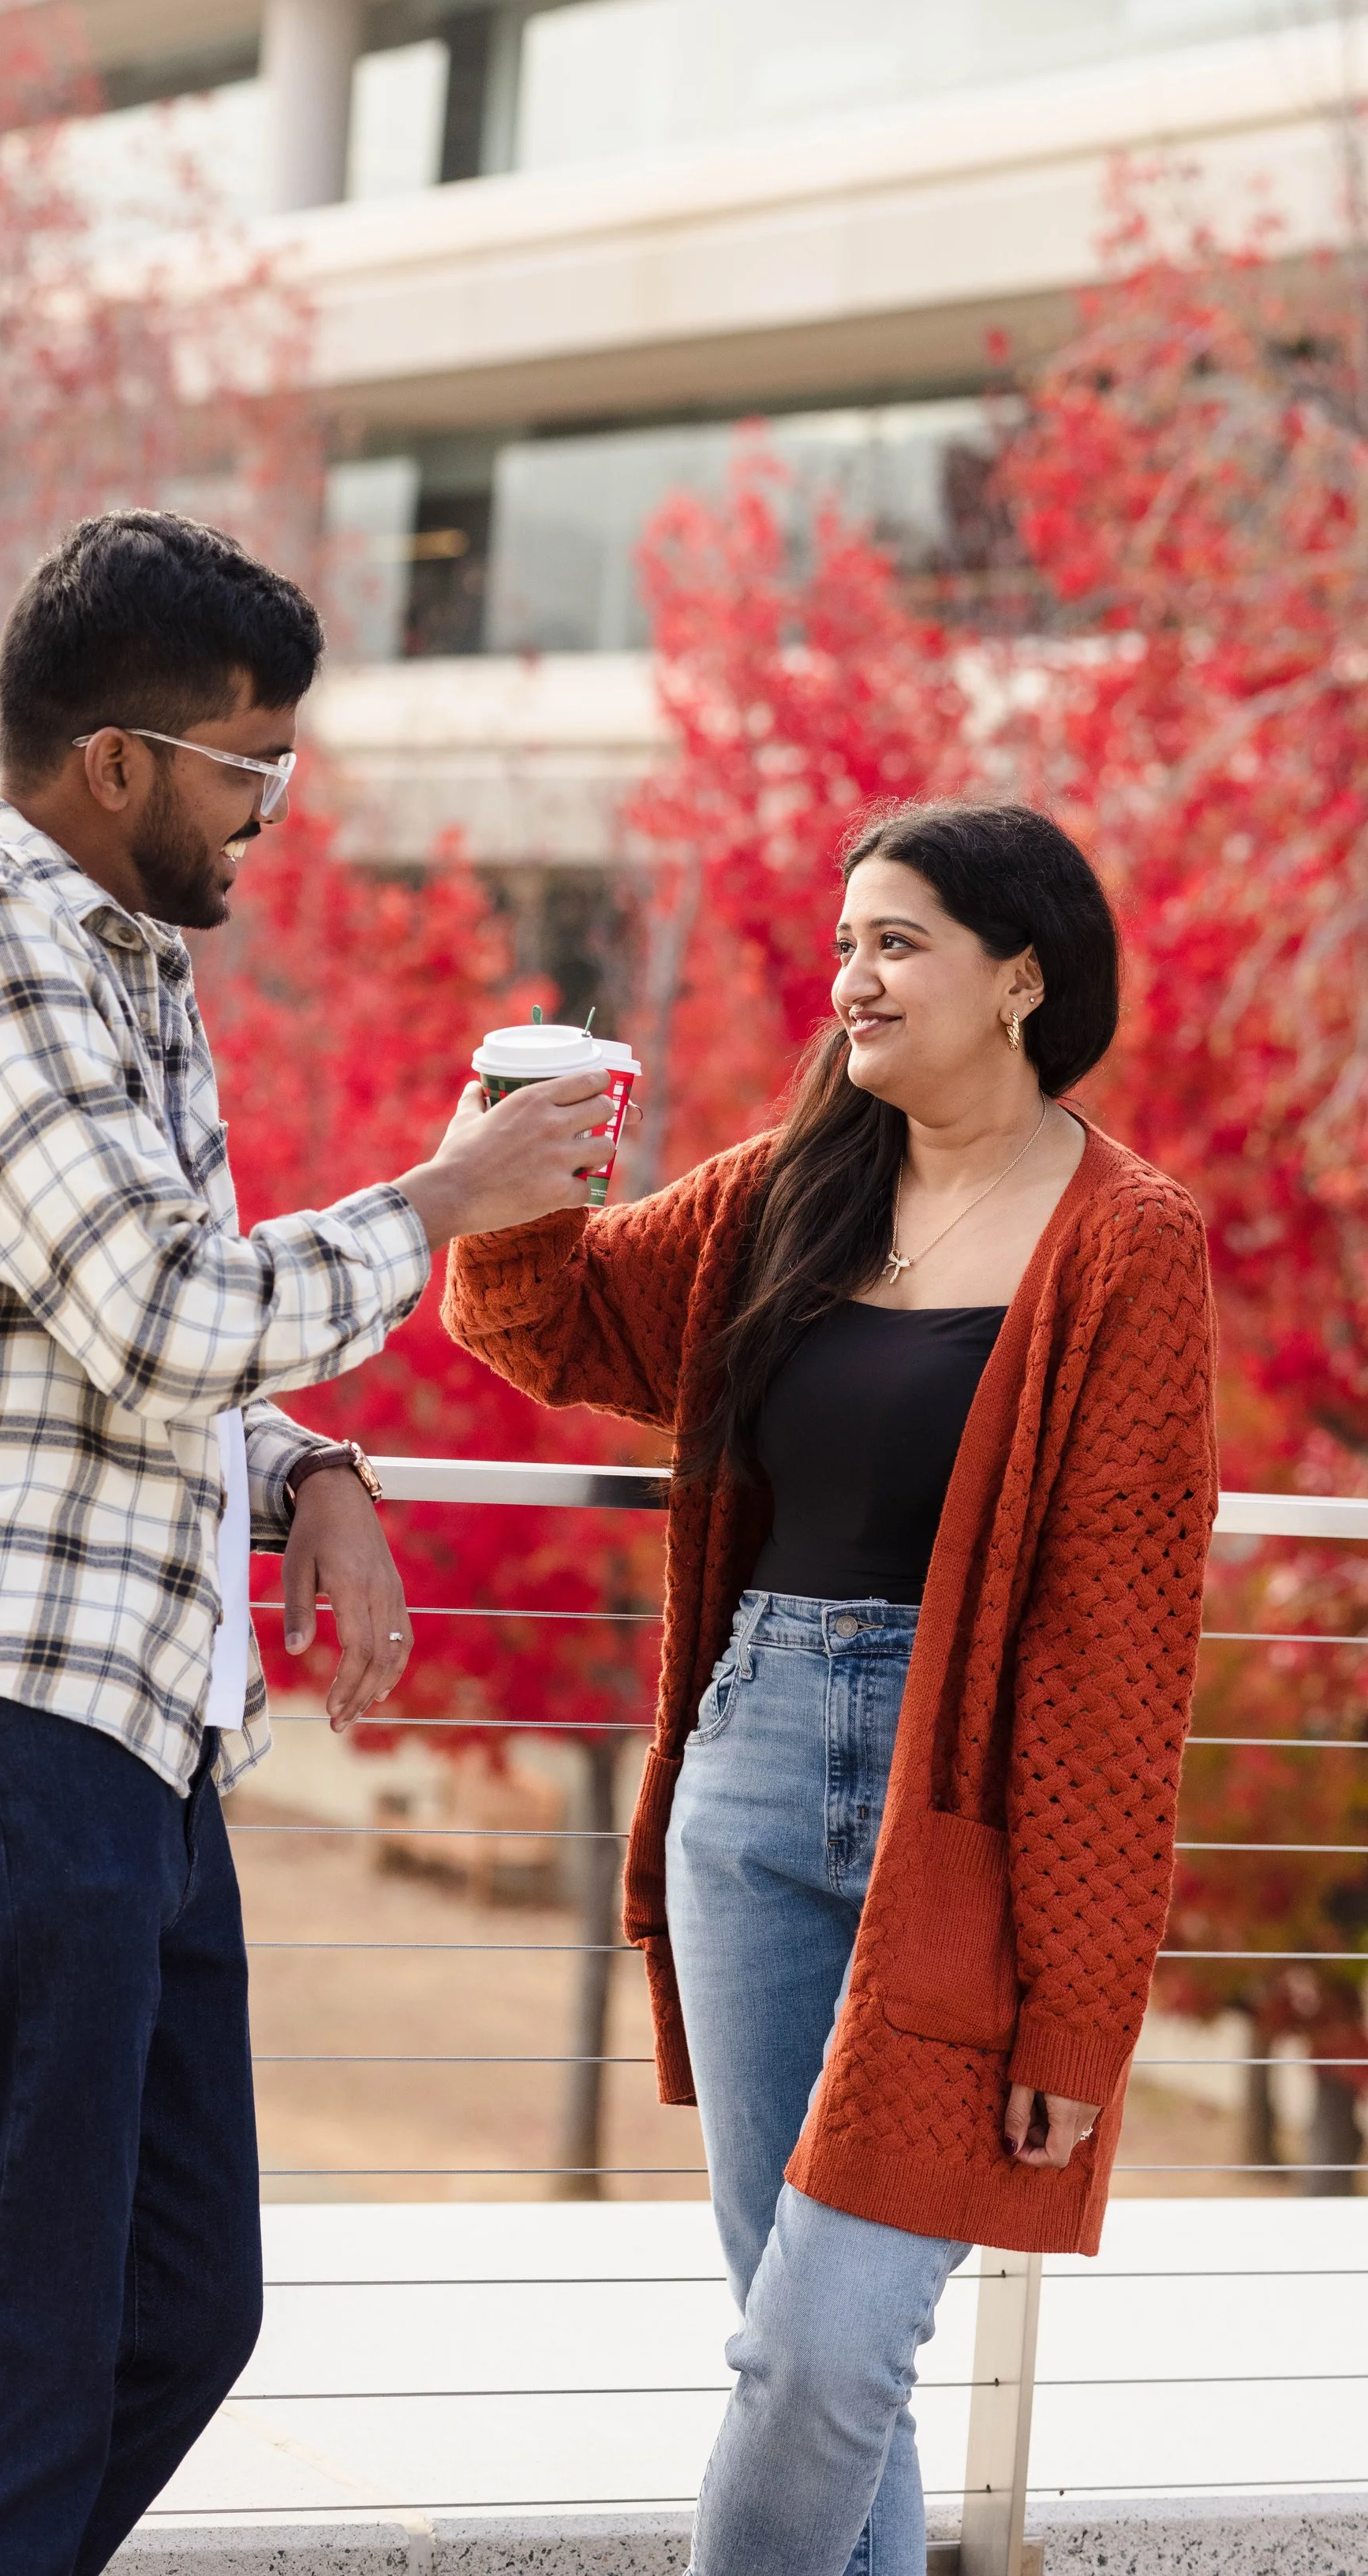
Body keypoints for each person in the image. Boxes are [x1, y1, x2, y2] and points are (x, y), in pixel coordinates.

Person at [0, 510, 615, 2576]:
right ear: (116, 757)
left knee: (176, 2300)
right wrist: (441, 1197)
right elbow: (151, 1312)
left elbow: (122, 1335)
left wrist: (304, 1470)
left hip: (125, 1724)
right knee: (11, 2349)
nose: (273, 813)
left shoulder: (121, 965)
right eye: (251, 766)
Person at [442, 800, 1217, 2576]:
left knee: (821, 2353)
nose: (849, 979)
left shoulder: (1127, 1242)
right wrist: (505, 1163)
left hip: (960, 1827)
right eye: (844, 943)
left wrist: (1077, 2008)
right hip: (750, 1778)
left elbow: (1119, 1651)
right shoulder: (784, 1188)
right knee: (797, 2341)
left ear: (1020, 977)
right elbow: (551, 1326)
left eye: (897, 943)